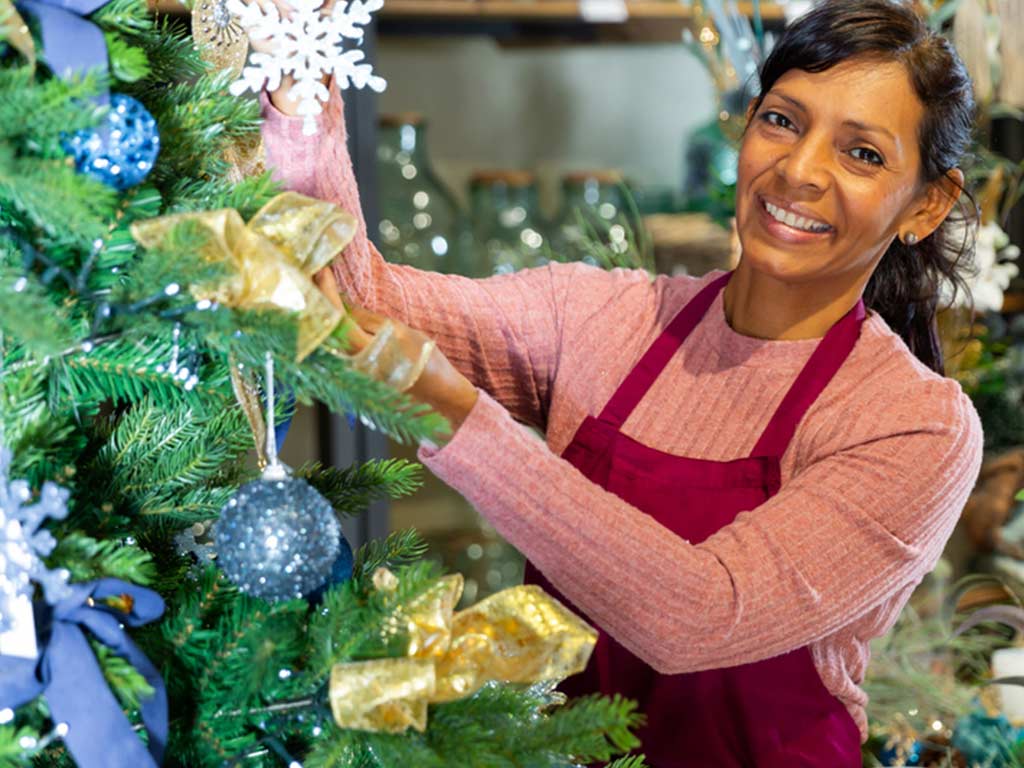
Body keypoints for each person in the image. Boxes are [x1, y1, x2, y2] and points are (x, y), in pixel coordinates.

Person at [255, 0, 985, 763]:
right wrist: (300, 91)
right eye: (782, 121)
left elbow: (703, 615)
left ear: (926, 204)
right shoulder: (606, 317)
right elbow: (360, 305)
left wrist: (458, 423)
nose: (800, 171)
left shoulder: (914, 424)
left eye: (862, 154)